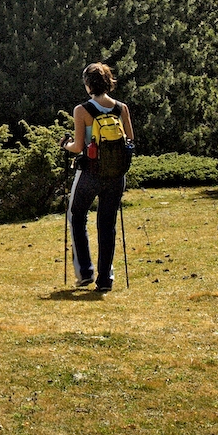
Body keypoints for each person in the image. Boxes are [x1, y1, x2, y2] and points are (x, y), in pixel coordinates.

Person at [64, 62, 134, 291]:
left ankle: (85, 272)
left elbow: (78, 146)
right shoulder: (121, 108)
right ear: (108, 82)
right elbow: (130, 141)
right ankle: (105, 280)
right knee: (107, 225)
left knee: (77, 215)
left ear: (88, 85)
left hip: (91, 173)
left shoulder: (82, 110)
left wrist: (66, 145)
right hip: (116, 175)